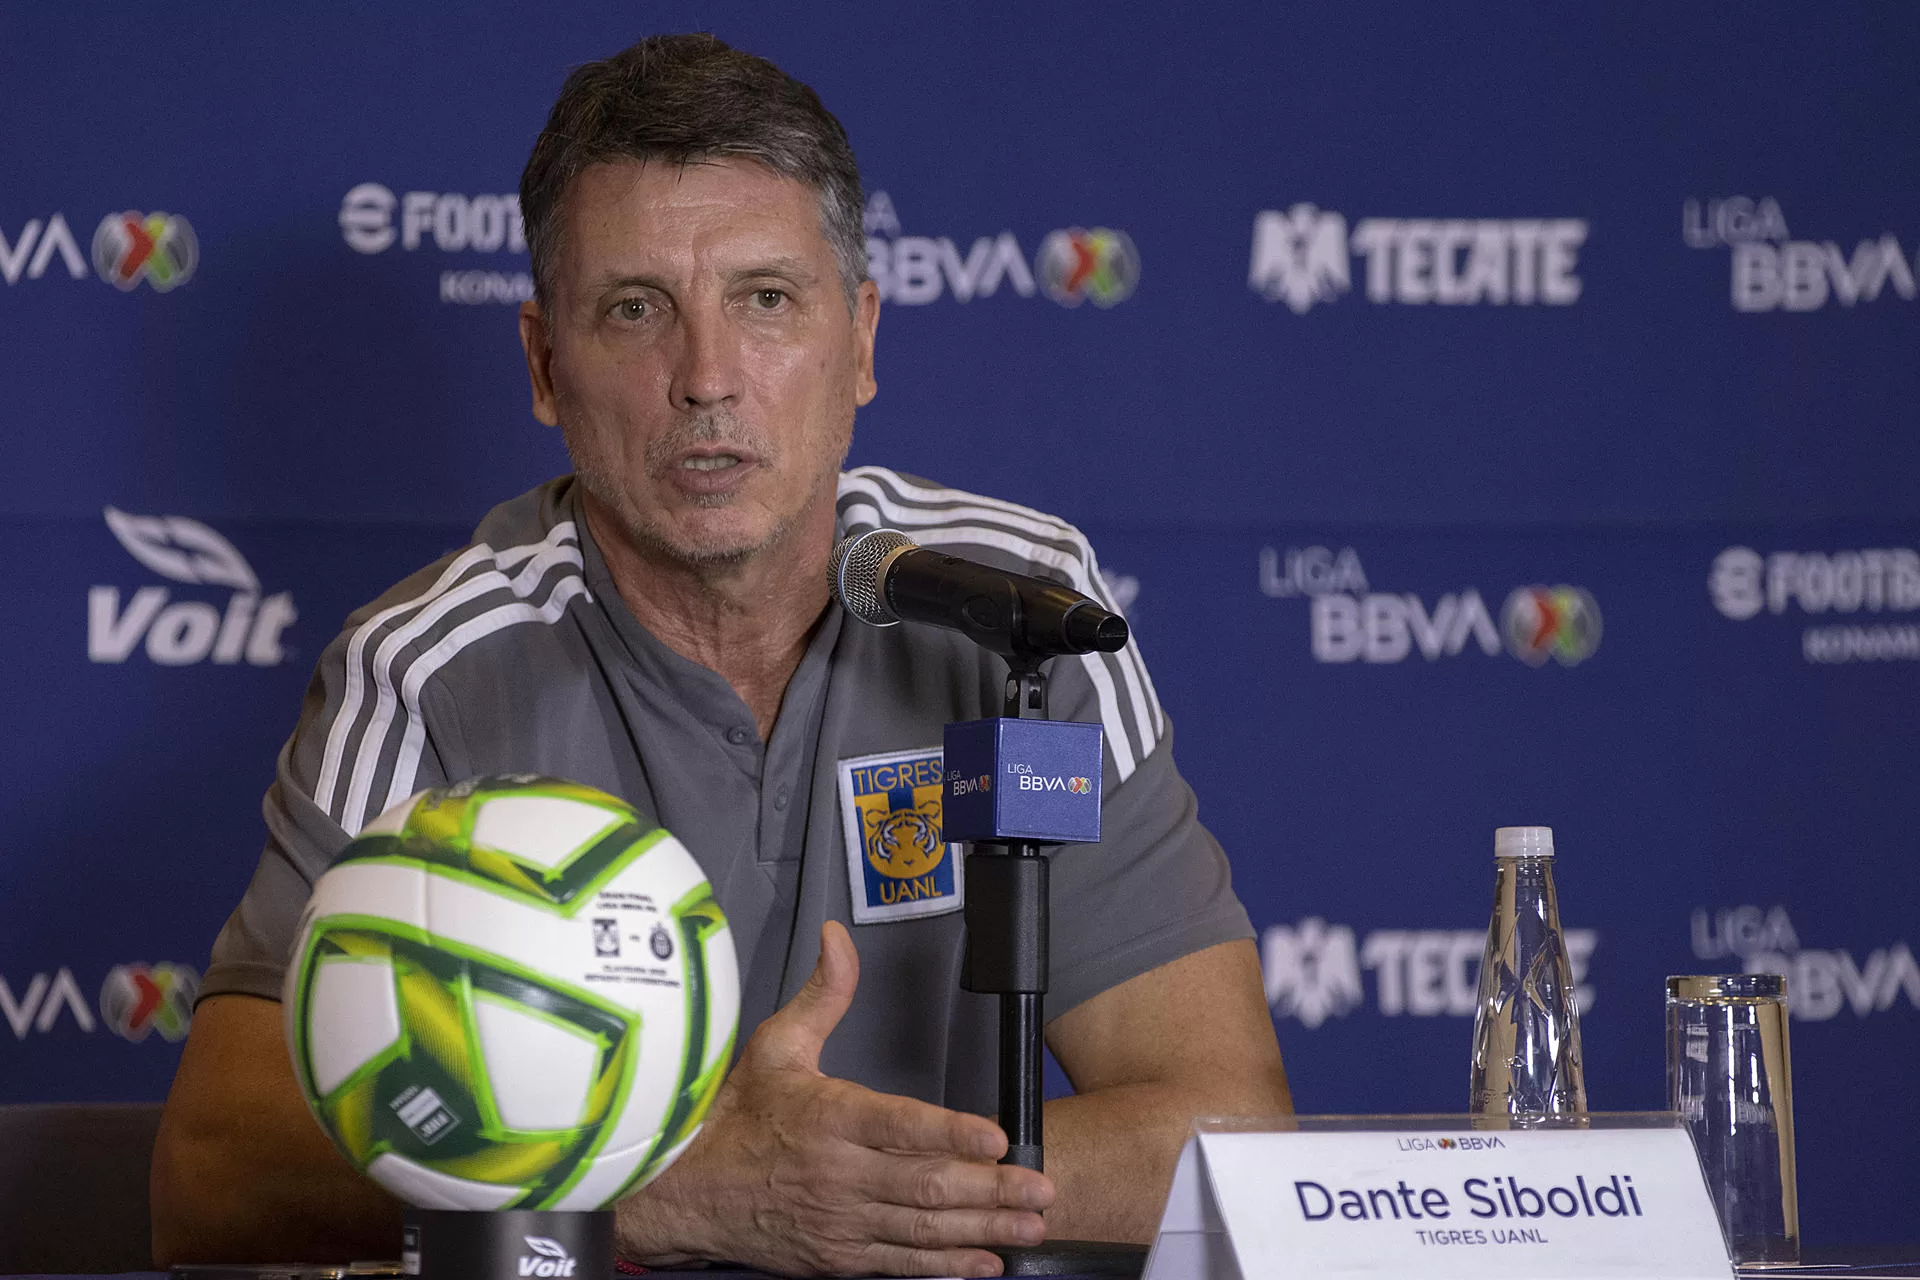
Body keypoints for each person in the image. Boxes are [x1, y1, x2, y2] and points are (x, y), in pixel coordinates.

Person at [150, 33, 1290, 1278]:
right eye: (636, 309)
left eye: (765, 299)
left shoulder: (1019, 618)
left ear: (859, 341)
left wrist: (855, 1190)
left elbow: (1215, 1123)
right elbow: (215, 1175)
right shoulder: (428, 672)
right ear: (544, 364)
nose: (705, 378)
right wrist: (677, 1183)